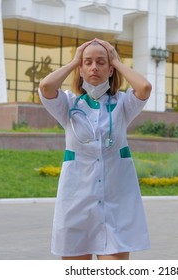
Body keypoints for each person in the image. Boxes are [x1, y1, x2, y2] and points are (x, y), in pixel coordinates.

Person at [38, 38, 151, 260]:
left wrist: (116, 60)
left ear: (110, 70)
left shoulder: (123, 104)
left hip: (116, 206)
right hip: (77, 205)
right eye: (87, 62)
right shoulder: (68, 105)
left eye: (101, 62)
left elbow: (144, 87)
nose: (94, 67)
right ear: (81, 69)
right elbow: (45, 87)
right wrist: (74, 61)